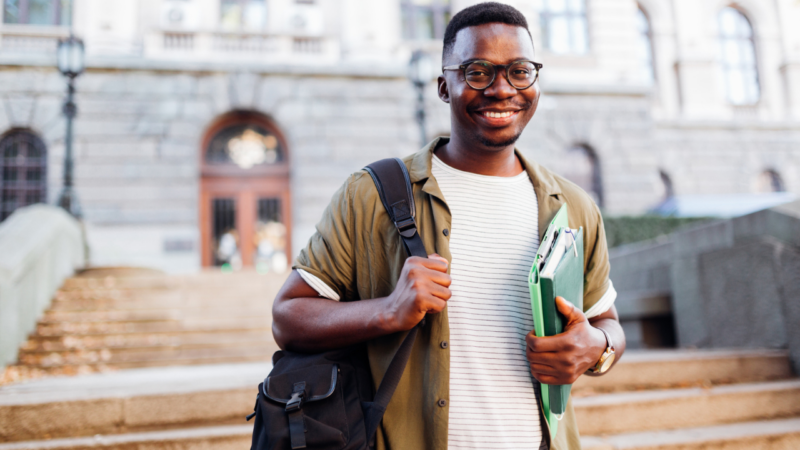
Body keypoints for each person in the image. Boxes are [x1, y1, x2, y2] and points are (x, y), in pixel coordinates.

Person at [272, 3, 626, 449]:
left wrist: (598, 348)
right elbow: (288, 317)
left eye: (520, 71)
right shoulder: (371, 194)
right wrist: (387, 311)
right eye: (478, 72)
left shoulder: (573, 207)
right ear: (445, 85)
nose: (502, 89)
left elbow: (607, 322)